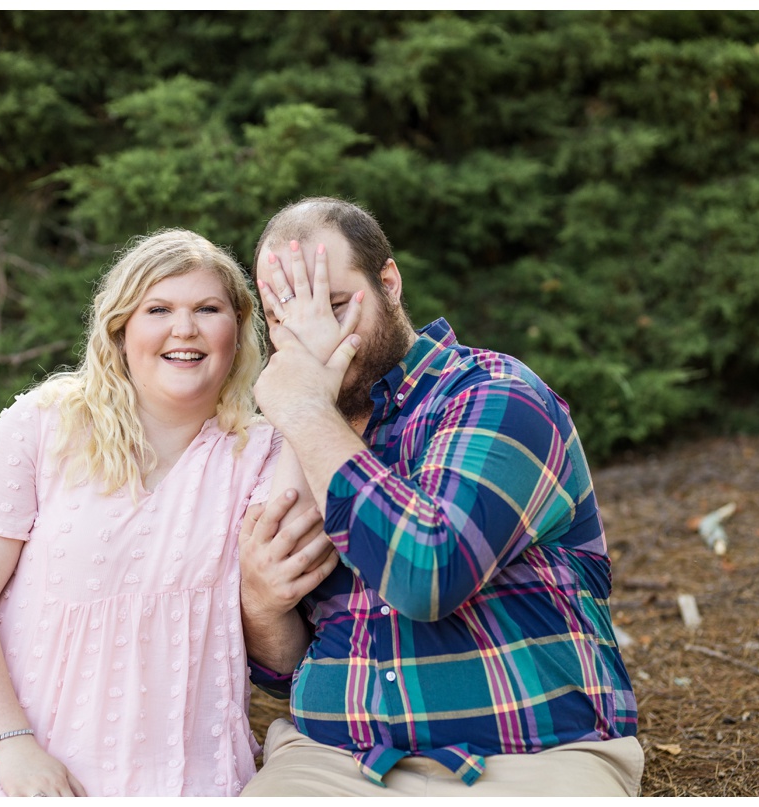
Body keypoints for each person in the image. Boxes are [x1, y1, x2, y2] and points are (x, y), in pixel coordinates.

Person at [237, 197, 644, 797]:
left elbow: (428, 574)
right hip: (333, 764)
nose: (313, 339)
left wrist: (305, 410)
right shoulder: (289, 438)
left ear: (390, 283)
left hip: (529, 755)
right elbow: (282, 672)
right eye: (285, 316)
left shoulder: (495, 394)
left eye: (336, 304)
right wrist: (262, 605)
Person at [0, 229, 286, 797]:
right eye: (159, 309)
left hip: (185, 775)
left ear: (238, 327)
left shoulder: (263, 454)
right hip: (15, 761)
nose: (185, 328)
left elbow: (284, 644)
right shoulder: (47, 423)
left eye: (208, 309)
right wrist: (14, 746)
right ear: (121, 328)